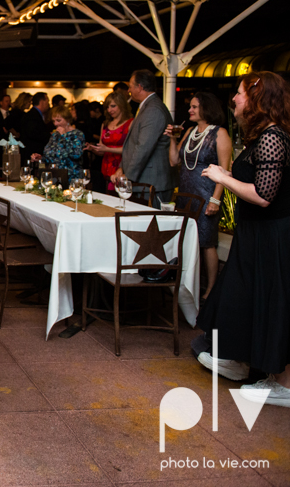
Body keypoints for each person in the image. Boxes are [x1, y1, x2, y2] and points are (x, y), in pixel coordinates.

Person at [195, 71, 290, 408]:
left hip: (272, 235)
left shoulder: (273, 137)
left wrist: (223, 177)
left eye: (239, 93)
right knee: (245, 297)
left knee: (272, 302)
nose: (233, 98)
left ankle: (282, 384)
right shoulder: (261, 136)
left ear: (257, 99)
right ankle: (241, 360)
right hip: (255, 233)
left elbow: (264, 195)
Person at [164, 92, 231, 300]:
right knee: (186, 239)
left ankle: (211, 289)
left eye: (194, 107)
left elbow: (224, 170)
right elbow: (174, 161)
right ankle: (187, 285)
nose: (190, 110)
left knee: (206, 242)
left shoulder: (220, 134)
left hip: (206, 195)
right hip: (185, 194)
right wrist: (173, 139)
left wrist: (215, 199)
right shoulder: (191, 131)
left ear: (206, 108)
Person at [111, 69, 174, 201]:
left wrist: (127, 177)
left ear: (140, 87)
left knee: (153, 221)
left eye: (131, 86)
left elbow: (143, 147)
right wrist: (121, 167)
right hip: (146, 180)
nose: (129, 90)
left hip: (153, 183)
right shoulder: (147, 107)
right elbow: (132, 144)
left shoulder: (153, 110)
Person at [86, 91, 133, 192]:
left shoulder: (130, 123)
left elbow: (131, 149)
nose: (109, 110)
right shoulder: (105, 124)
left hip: (122, 166)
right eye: (107, 107)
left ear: (122, 105)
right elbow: (102, 151)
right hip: (106, 166)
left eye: (113, 106)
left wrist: (107, 148)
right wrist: (93, 149)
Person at [29, 104, 85, 182]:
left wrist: (64, 136)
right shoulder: (55, 135)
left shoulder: (77, 134)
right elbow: (50, 155)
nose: (55, 124)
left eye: (58, 120)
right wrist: (40, 158)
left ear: (67, 119)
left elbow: (76, 154)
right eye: (53, 121)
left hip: (71, 178)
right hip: (54, 177)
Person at [19, 92, 51, 160]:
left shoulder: (34, 114)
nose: (49, 104)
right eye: (47, 101)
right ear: (42, 102)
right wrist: (49, 135)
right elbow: (33, 133)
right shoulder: (32, 116)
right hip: (32, 155)